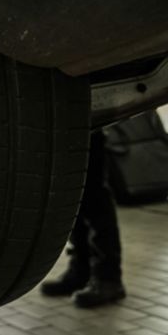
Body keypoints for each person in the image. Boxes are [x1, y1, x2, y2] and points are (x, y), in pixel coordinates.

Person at [40, 129, 126, 308]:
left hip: (87, 124)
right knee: (73, 195)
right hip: (64, 126)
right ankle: (81, 271)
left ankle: (108, 278)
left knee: (94, 195)